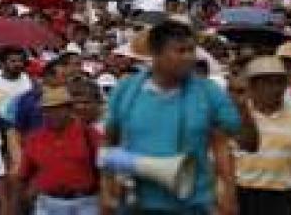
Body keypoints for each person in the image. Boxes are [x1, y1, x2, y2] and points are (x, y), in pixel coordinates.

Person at [100, 20, 258, 214]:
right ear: (156, 55)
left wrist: (242, 107)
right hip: (135, 206)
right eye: (180, 51)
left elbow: (248, 144)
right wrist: (107, 190)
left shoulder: (208, 92)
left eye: (192, 50)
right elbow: (109, 143)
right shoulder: (126, 90)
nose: (189, 57)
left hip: (193, 207)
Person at [18, 86, 101, 215]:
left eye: (57, 109)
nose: (51, 115)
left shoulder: (89, 134)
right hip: (48, 203)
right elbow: (24, 175)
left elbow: (106, 171)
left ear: (69, 109)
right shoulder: (35, 138)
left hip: (85, 203)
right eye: (47, 110)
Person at [234, 56, 291, 214]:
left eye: (280, 82)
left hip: (284, 197)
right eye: (267, 82)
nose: (276, 88)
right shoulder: (237, 113)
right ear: (252, 86)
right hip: (242, 195)